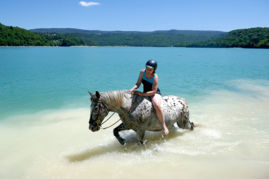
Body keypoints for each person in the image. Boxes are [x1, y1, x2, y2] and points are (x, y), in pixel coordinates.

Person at [130, 60, 169, 135]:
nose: (148, 71)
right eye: (147, 68)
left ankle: (164, 126)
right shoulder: (142, 72)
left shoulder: (155, 77)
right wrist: (131, 89)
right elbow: (138, 84)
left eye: (150, 69)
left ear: (154, 69)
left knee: (156, 105)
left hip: (154, 93)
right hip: (144, 92)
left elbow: (154, 91)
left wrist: (142, 94)